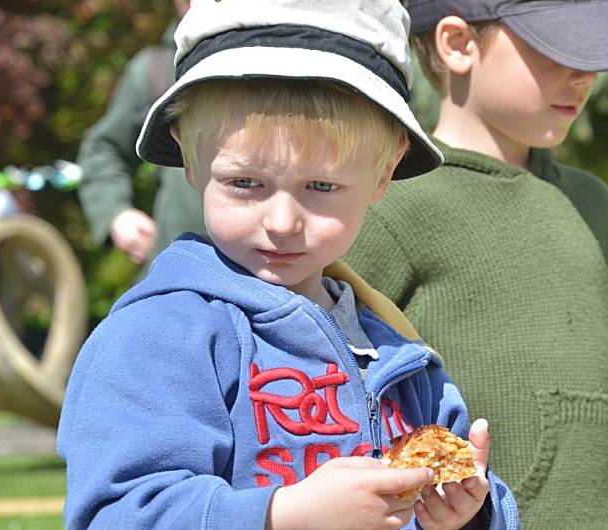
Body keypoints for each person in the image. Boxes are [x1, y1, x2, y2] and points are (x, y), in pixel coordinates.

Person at [56, 1, 520, 529]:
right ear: (188, 157)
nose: (281, 221)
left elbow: (469, 489)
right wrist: (283, 515)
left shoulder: (395, 345)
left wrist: (470, 513)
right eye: (244, 183)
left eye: (321, 187)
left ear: (384, 170)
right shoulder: (160, 336)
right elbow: (117, 514)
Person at [345, 0, 608, 528]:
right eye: (559, 51)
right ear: (458, 45)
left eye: (593, 56)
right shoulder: (396, 200)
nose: (585, 77)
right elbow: (329, 356)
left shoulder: (593, 203)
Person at [76, 0, 205, 268]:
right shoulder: (154, 70)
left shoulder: (291, 56)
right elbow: (104, 148)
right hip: (177, 277)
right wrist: (115, 213)